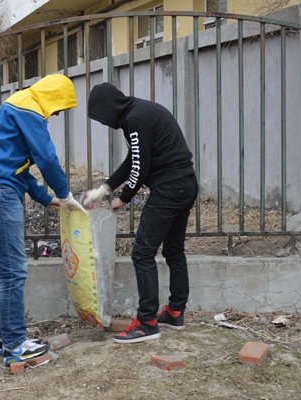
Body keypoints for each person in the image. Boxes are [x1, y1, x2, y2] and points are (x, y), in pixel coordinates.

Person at [0, 74, 86, 364]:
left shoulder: (16, 105)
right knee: (13, 269)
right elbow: (46, 157)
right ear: (53, 97)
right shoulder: (30, 108)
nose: (56, 114)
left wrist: (47, 198)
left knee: (0, 269)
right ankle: (15, 344)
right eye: (59, 107)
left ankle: (2, 339)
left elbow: (18, 168)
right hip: (0, 192)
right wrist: (65, 193)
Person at [82, 82, 198, 344]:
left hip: (169, 189)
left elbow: (140, 168)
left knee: (142, 253)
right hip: (185, 184)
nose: (104, 123)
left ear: (109, 108)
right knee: (174, 251)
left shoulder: (135, 119)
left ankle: (147, 323)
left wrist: (123, 198)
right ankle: (175, 312)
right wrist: (103, 190)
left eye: (101, 117)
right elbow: (133, 160)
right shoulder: (139, 112)